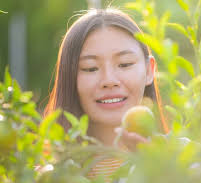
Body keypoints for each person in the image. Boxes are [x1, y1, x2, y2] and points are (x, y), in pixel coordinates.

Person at [44, 8, 169, 182]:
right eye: (90, 68)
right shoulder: (50, 174)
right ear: (69, 77)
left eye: (124, 64)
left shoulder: (187, 160)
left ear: (149, 70)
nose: (109, 80)